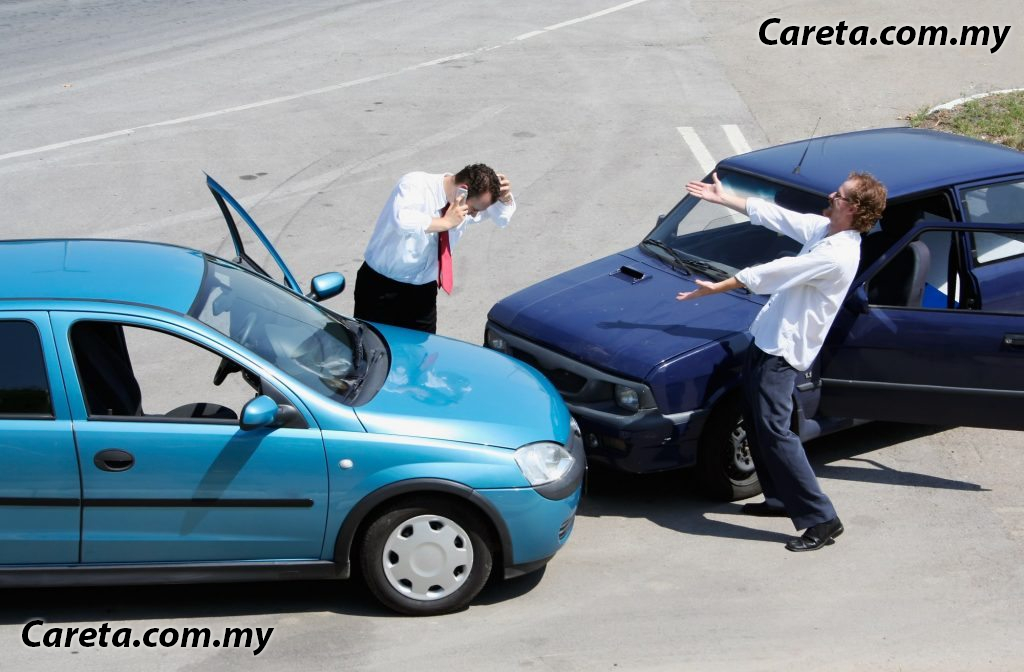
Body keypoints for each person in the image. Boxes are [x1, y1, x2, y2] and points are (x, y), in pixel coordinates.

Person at [677, 171, 887, 552]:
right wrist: (724, 198)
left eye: (839, 195)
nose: (831, 194)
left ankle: (822, 518)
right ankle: (778, 498)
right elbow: (777, 216)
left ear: (853, 209)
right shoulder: (826, 230)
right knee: (758, 422)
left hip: (782, 353)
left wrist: (721, 286)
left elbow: (777, 271)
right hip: (767, 339)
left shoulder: (837, 254)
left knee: (775, 432)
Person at [353, 164, 515, 334]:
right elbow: (402, 221)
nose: (474, 215)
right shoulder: (415, 184)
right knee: (372, 346)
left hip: (423, 294)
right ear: (463, 190)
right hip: (381, 289)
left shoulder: (463, 205)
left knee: (423, 349)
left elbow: (502, 219)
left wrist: (505, 199)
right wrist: (445, 222)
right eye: (474, 209)